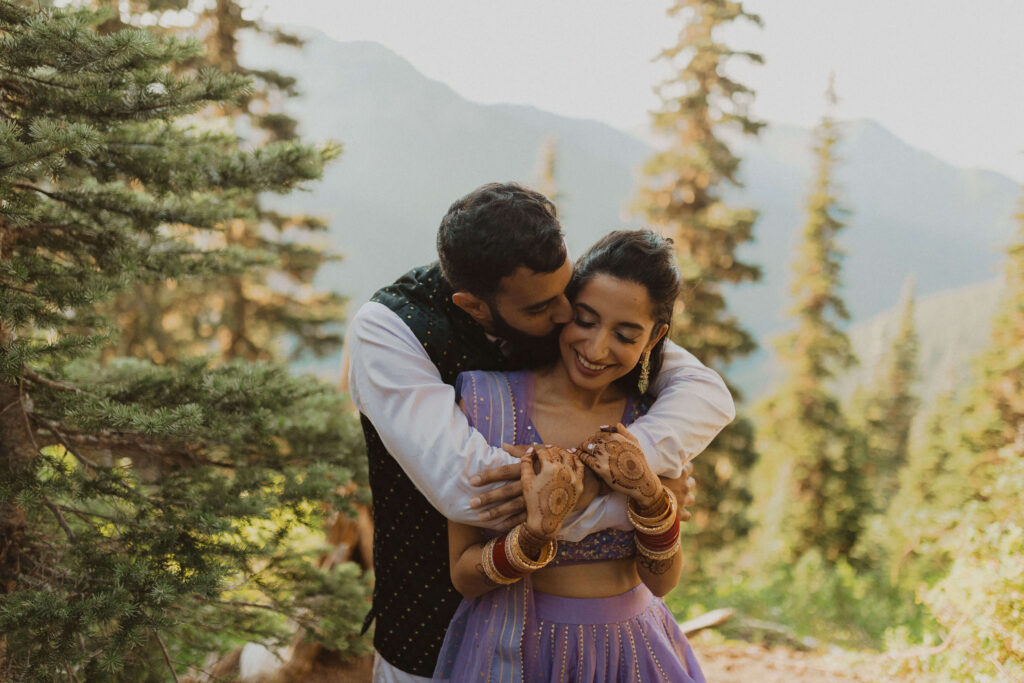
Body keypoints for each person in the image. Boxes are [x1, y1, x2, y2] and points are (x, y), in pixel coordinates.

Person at [347, 183, 734, 682]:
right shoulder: (391, 330)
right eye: (540, 309)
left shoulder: (570, 310)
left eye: (566, 292)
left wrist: (637, 473)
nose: (563, 318)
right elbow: (470, 488)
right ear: (473, 306)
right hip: (429, 629)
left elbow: (703, 392)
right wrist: (628, 490)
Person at [435, 230, 706, 682]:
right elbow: (465, 575)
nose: (596, 349)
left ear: (655, 336)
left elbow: (661, 582)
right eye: (585, 320)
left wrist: (652, 497)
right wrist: (535, 534)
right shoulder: (488, 405)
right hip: (520, 652)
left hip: (633, 653)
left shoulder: (651, 423)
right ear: (563, 309)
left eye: (624, 334)